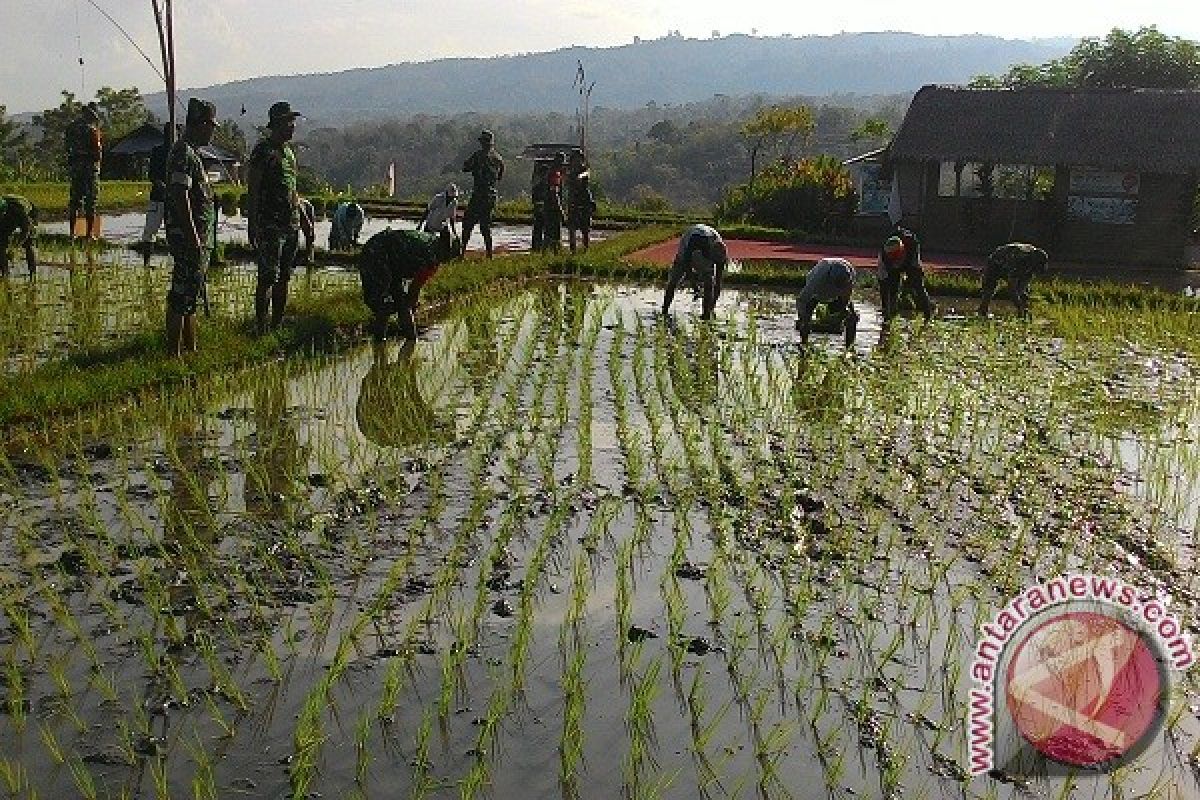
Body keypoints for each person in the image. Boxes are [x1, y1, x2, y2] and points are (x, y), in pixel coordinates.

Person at [247, 101, 313, 334]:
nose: (292, 126)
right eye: (288, 121)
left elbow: (293, 190)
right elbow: (253, 188)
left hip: (290, 223)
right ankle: (261, 326)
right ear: (276, 124)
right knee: (268, 277)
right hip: (269, 224)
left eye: (293, 122)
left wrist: (303, 217)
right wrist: (252, 223)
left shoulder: (289, 153)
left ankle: (277, 323)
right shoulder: (262, 151)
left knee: (284, 276)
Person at [165, 98, 218, 358]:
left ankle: (191, 348)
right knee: (180, 295)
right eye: (211, 126)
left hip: (197, 236)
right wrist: (193, 236)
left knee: (190, 296)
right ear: (201, 124)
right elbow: (179, 194)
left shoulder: (193, 154)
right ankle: (173, 354)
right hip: (188, 238)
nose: (213, 131)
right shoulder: (182, 153)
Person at [358, 227, 459, 340]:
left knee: (399, 301)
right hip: (376, 254)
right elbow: (413, 291)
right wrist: (409, 306)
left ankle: (399, 338)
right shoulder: (430, 257)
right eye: (448, 256)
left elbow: (411, 291)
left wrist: (407, 306)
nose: (447, 260)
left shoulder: (431, 243)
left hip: (393, 261)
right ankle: (380, 339)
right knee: (383, 302)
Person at [662, 224, 729, 319]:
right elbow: (686, 262)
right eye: (712, 261)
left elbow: (717, 283)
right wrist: (693, 284)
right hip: (688, 245)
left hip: (705, 248)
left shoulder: (721, 254)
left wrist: (711, 308)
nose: (713, 264)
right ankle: (664, 310)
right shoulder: (697, 240)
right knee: (673, 280)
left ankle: (706, 314)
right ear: (709, 253)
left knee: (709, 283)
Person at [795, 257, 859, 348]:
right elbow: (802, 300)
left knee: (852, 317)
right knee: (805, 318)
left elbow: (847, 298)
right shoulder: (816, 279)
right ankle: (804, 343)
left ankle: (849, 346)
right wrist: (802, 318)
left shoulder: (850, 274)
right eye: (838, 285)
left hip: (837, 295)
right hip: (817, 294)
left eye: (843, 285)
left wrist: (846, 313)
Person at [460, 129, 505, 258]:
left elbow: (465, 168)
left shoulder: (478, 156)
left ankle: (462, 252)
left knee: (468, 223)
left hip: (479, 194)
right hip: (491, 195)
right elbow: (500, 177)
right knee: (485, 226)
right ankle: (489, 254)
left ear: (483, 143)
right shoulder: (498, 158)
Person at [979, 242, 1049, 318]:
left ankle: (1023, 312)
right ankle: (983, 310)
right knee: (989, 289)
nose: (1035, 272)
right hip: (996, 262)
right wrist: (1019, 306)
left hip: (1011, 265)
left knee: (1022, 293)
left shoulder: (1032, 266)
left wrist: (1024, 303)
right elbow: (1011, 288)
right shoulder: (1019, 259)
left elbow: (1022, 287)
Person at [878, 225, 933, 323]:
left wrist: (910, 281)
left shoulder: (911, 245)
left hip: (910, 261)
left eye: (898, 259)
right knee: (892, 288)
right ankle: (890, 315)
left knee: (918, 285)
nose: (897, 263)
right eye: (894, 260)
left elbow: (916, 268)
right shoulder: (883, 257)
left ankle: (927, 313)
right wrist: (885, 307)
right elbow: (883, 283)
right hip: (891, 266)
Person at [66, 103, 103, 242]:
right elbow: (98, 152)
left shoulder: (71, 128)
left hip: (75, 168)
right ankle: (89, 235)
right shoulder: (92, 130)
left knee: (74, 200)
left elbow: (67, 148)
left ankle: (72, 233)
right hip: (89, 169)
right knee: (91, 201)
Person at [140, 123, 175, 267]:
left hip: (174, 199)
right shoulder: (158, 151)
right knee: (150, 232)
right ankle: (146, 263)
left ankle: (175, 264)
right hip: (158, 197)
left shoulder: (181, 153)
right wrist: (159, 183)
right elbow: (152, 175)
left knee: (174, 234)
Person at [0, 195, 38, 278]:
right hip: (8, 218)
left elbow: (25, 231)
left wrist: (14, 248)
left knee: (29, 244)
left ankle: (33, 272)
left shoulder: (19, 211)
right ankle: (5, 273)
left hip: (29, 213)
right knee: (1, 245)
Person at [566, 150, 596, 253]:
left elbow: (587, 173)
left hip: (584, 201)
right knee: (572, 228)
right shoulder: (569, 171)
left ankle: (586, 249)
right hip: (573, 201)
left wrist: (580, 176)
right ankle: (573, 250)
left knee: (585, 228)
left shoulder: (584, 170)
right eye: (575, 159)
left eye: (579, 159)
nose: (577, 161)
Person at [542, 151, 567, 253]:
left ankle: (546, 253)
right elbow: (554, 193)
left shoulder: (551, 171)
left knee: (548, 231)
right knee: (555, 232)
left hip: (548, 205)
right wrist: (560, 209)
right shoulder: (555, 174)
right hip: (553, 207)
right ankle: (555, 252)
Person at [529, 158, 551, 252]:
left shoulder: (546, 186)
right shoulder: (539, 186)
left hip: (545, 209)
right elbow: (535, 199)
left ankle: (541, 247)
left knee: (543, 229)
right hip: (540, 210)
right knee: (539, 228)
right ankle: (537, 247)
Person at [297, 197, 316, 266]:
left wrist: (309, 224)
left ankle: (309, 257)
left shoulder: (307, 206)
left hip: (305, 210)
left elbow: (310, 228)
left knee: (309, 235)